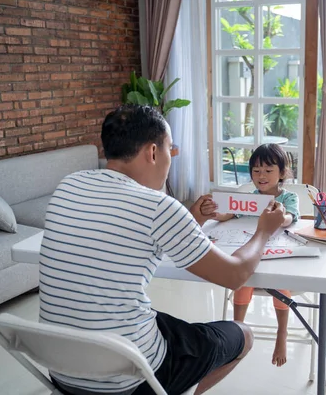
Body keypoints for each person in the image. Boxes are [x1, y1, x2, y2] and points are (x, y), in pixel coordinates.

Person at [38, 105, 285, 395]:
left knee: (155, 317)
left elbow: (138, 237)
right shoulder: (158, 206)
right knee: (242, 334)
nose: (171, 158)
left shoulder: (69, 185)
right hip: (128, 380)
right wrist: (264, 231)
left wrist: (194, 218)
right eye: (171, 149)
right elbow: (235, 276)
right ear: (153, 152)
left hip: (61, 370)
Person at [210, 144, 300, 367]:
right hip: (250, 250)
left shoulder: (288, 198)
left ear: (282, 173)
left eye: (269, 171)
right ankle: (236, 332)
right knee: (242, 280)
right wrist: (215, 213)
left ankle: (282, 333)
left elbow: (291, 217)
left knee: (279, 282)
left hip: (276, 252)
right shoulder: (250, 198)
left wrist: (281, 217)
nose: (262, 176)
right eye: (256, 171)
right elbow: (229, 214)